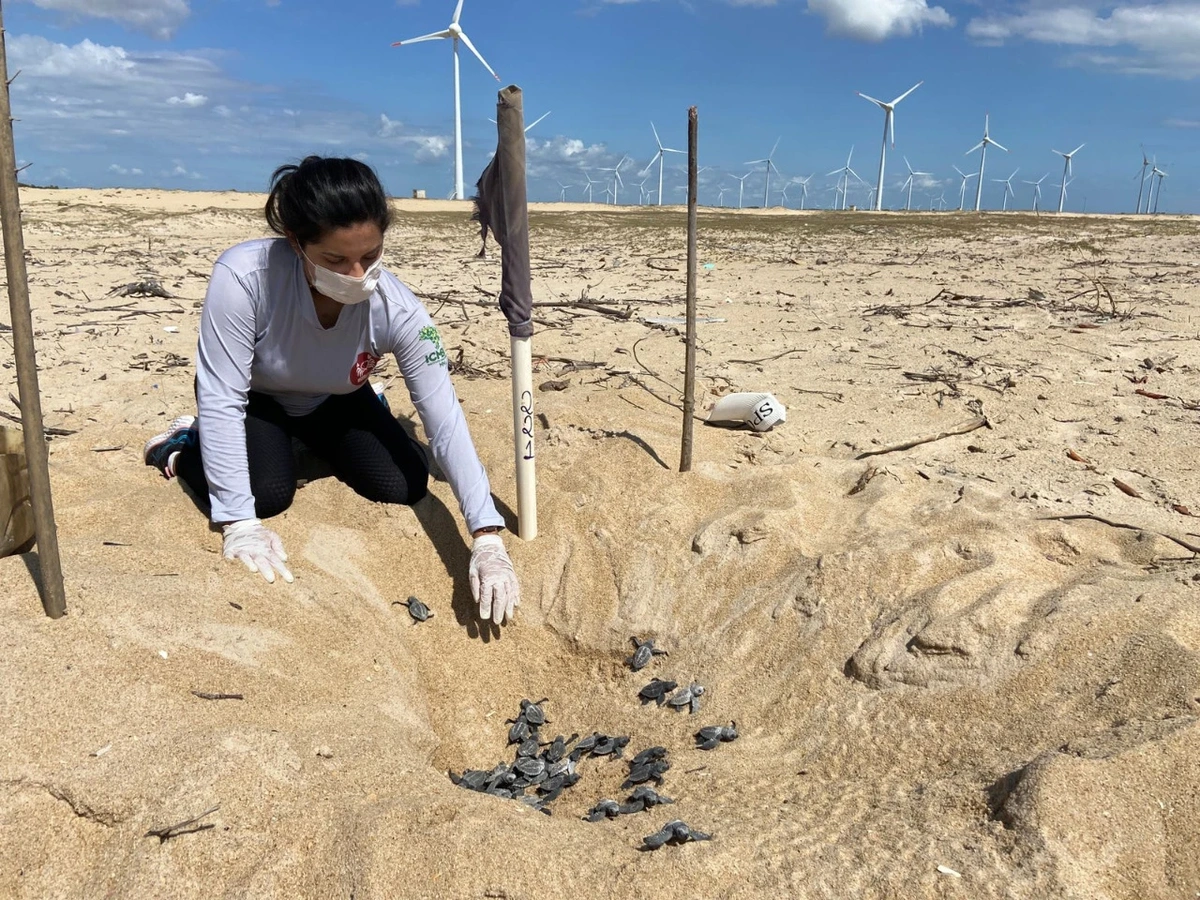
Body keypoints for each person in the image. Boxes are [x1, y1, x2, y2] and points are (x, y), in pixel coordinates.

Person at [142, 156, 519, 624]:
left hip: (337, 396)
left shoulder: (399, 310)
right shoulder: (245, 277)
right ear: (297, 243)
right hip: (258, 398)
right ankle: (180, 445)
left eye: (371, 255)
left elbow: (443, 417)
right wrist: (238, 524)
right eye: (336, 260)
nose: (357, 274)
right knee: (266, 494)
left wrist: (486, 534)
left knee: (403, 484)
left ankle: (320, 434)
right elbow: (222, 397)